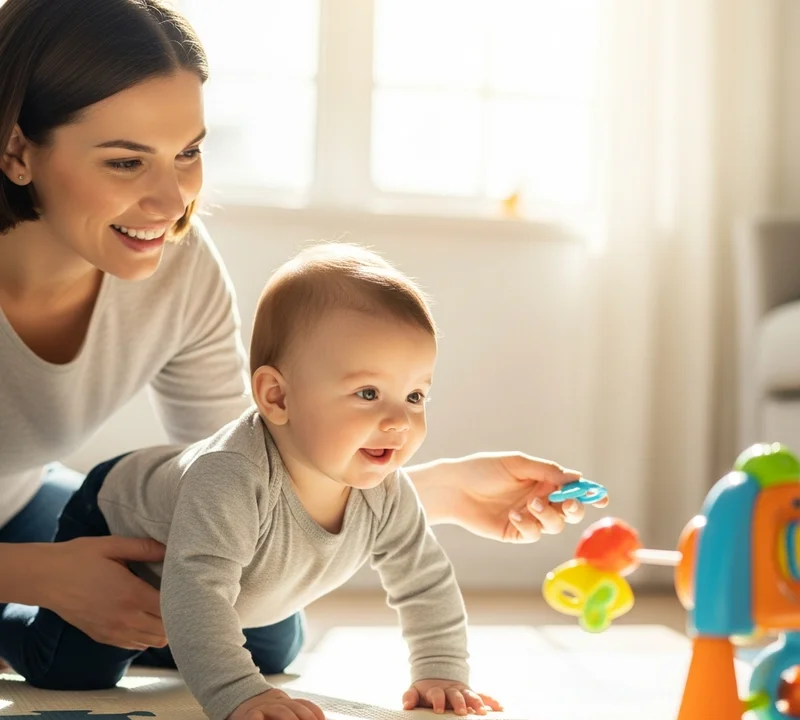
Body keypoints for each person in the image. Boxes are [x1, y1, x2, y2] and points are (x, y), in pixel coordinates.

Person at [0, 0, 607, 661]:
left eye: (188, 153)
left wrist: (434, 492)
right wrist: (38, 577)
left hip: (22, 505)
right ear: (17, 150)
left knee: (266, 629)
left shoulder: (178, 263)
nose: (173, 202)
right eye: (125, 162)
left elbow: (243, 471)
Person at [1, 244, 505, 720]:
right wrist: (236, 692)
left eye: (415, 395)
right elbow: (199, 585)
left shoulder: (386, 488)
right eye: (368, 393)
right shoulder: (232, 476)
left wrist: (441, 669)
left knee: (273, 652)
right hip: (119, 524)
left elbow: (425, 578)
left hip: (232, 583)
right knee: (76, 669)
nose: (399, 421)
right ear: (277, 396)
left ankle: (179, 635)